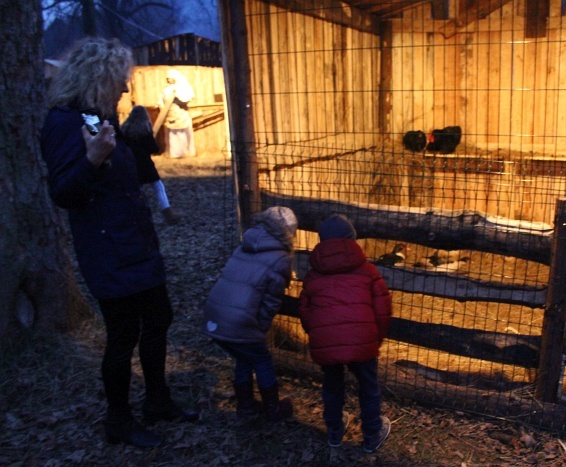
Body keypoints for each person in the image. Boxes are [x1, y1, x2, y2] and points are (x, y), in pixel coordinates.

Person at [41, 38, 197, 448]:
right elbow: (63, 193)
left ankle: (158, 401)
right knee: (123, 334)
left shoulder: (103, 116)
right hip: (107, 248)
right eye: (120, 80)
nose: (127, 89)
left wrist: (134, 139)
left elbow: (137, 168)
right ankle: (118, 420)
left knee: (159, 318)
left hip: (137, 241)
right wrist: (91, 160)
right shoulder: (63, 123)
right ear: (98, 77)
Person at [299, 214, 393, 452]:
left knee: (332, 385)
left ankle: (334, 431)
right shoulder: (367, 271)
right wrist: (374, 339)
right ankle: (372, 434)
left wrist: (318, 335)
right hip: (363, 341)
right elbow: (383, 308)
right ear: (352, 239)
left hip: (327, 342)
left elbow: (306, 311)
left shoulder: (313, 274)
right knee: (368, 386)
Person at [201, 206, 297, 422]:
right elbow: (271, 302)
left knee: (243, 357)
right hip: (239, 322)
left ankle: (245, 406)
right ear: (289, 232)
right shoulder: (280, 257)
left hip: (215, 317)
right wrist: (260, 327)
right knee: (261, 359)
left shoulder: (246, 245)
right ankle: (273, 410)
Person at [121, 105, 180, 225]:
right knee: (158, 187)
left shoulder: (124, 129)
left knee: (135, 190)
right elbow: (153, 148)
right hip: (145, 164)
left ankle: (134, 215)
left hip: (131, 164)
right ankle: (168, 214)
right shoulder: (144, 129)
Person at [157, 69, 196, 159]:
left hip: (181, 114)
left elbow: (186, 98)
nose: (169, 80)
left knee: (181, 134)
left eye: (170, 78)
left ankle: (182, 152)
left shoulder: (181, 88)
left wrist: (177, 96)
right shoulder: (166, 89)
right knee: (172, 135)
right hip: (170, 114)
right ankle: (173, 153)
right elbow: (161, 101)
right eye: (168, 78)